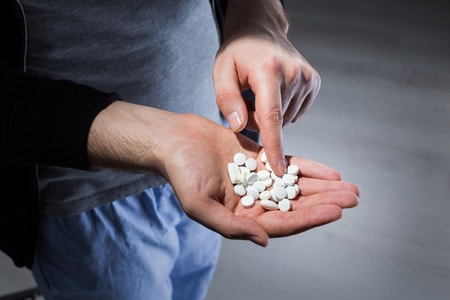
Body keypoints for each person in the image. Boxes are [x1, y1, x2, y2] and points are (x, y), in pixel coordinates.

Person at [0, 0, 359, 299]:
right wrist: (164, 140)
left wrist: (257, 21)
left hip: (213, 149)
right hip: (85, 194)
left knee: (190, 286)